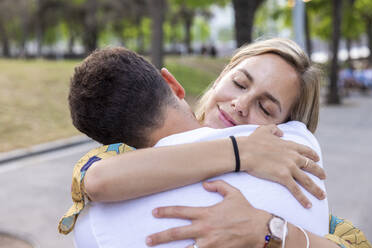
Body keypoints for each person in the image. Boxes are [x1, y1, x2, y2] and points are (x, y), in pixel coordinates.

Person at [58, 39, 370, 248]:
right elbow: (97, 180)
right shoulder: (121, 156)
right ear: (221, 77)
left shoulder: (291, 190)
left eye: (266, 108)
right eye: (239, 83)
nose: (240, 104)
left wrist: (269, 229)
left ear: (285, 129)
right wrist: (241, 152)